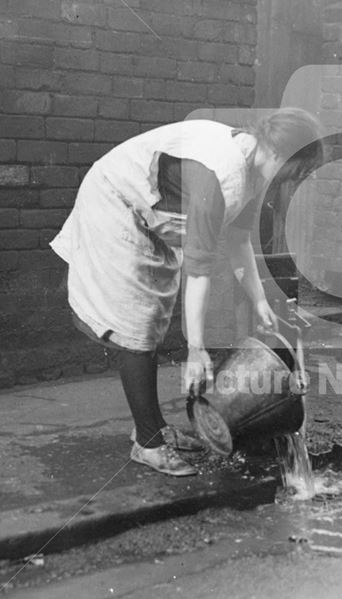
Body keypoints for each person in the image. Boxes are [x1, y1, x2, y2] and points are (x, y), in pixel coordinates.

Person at [50, 108, 324, 476]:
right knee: (138, 321)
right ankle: (147, 444)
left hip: (153, 212)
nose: (295, 181)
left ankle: (153, 427)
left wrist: (259, 300)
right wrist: (196, 350)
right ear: (279, 153)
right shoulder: (220, 174)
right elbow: (199, 272)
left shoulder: (255, 169)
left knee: (152, 313)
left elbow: (239, 240)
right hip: (117, 202)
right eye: (298, 171)